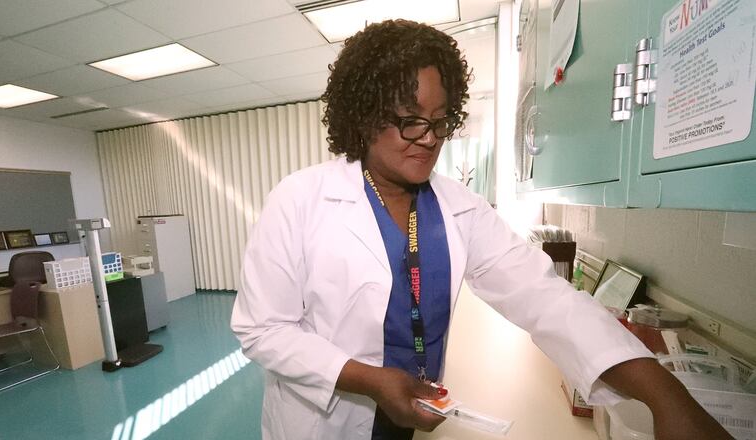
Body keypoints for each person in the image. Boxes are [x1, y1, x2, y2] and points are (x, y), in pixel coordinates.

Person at [231, 19, 733, 440]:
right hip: (321, 423)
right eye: (410, 121)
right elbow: (262, 329)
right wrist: (370, 380)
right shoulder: (300, 200)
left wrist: (665, 395)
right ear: (364, 118)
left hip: (414, 416)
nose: (429, 139)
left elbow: (546, 298)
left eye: (440, 120)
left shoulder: (459, 208)